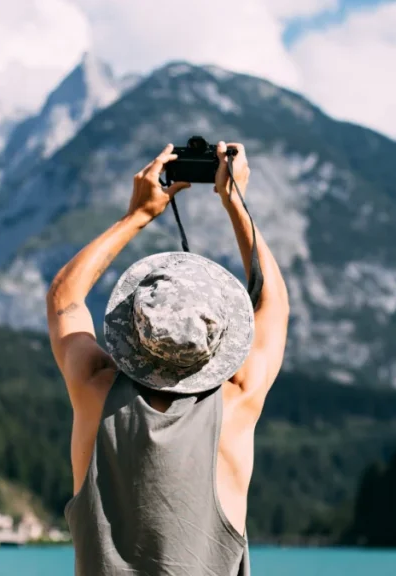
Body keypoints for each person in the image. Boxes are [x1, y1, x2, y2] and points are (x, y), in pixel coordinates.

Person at [45, 141, 289, 575]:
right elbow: (274, 306)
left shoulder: (94, 391)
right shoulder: (237, 400)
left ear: (135, 330)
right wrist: (234, 200)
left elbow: (64, 299)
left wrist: (137, 215)